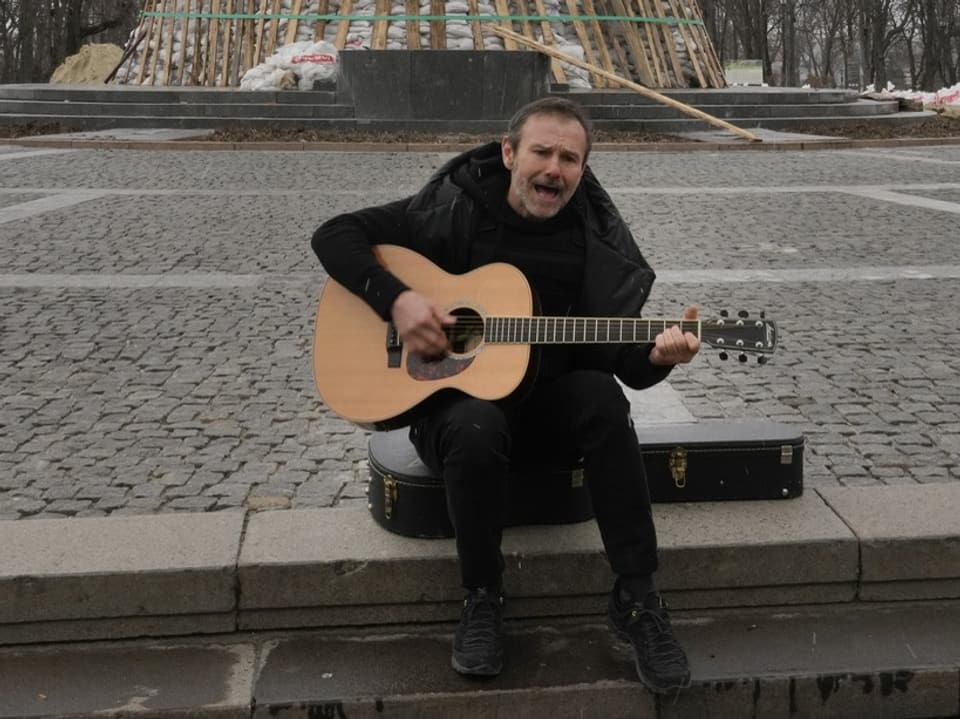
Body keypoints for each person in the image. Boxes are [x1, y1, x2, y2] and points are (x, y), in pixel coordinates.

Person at [311, 97, 700, 694]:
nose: (554, 169)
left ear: (583, 169)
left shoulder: (593, 240)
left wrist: (655, 356)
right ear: (509, 152)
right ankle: (483, 599)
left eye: (570, 158)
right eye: (542, 152)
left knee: (600, 397)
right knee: (475, 423)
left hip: (546, 418)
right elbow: (334, 235)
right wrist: (397, 300)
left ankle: (639, 598)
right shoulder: (453, 209)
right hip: (454, 419)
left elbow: (614, 358)